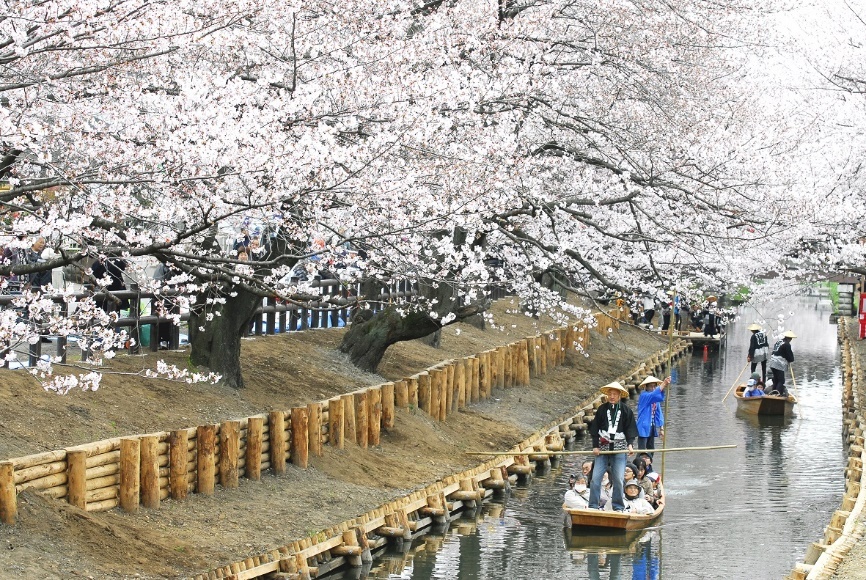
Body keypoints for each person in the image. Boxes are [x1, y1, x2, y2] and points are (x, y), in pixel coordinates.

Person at [588, 382, 637, 512]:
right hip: (603, 448)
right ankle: (593, 505)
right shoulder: (602, 409)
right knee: (595, 479)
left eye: (615, 394)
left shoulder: (626, 410)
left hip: (619, 448)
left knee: (619, 479)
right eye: (610, 394)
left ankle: (618, 506)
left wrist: (630, 444)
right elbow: (595, 429)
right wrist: (595, 446)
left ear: (619, 395)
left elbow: (630, 429)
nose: (612, 396)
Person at [636, 375, 669, 451]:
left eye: (654, 386)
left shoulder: (655, 400)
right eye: (651, 386)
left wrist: (661, 428)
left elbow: (658, 413)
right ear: (646, 387)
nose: (653, 388)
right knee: (642, 450)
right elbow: (653, 394)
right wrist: (664, 383)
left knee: (651, 449)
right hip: (643, 426)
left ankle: (649, 459)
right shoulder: (644, 396)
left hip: (651, 426)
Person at [768, 330, 796, 397]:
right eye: (791, 338)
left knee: (776, 379)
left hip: (772, 362)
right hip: (778, 363)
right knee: (781, 380)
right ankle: (777, 394)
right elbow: (790, 357)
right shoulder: (787, 344)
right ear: (789, 338)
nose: (791, 340)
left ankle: (773, 393)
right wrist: (790, 359)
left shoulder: (779, 341)